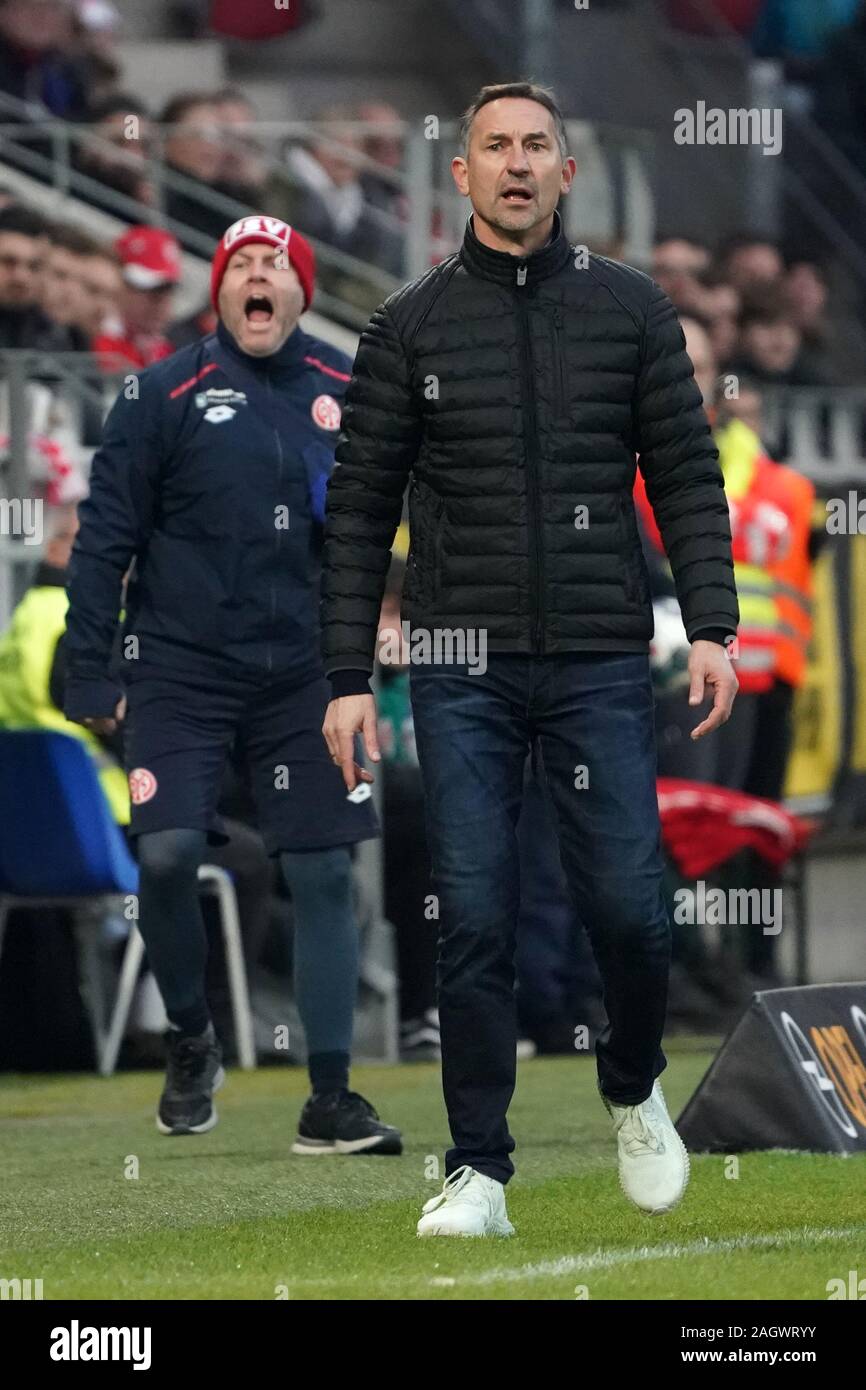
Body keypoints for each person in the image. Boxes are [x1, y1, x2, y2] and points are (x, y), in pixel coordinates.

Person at [320, 81, 739, 1235]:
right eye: (493, 147)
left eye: (536, 145)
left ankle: (631, 1083)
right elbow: (355, 512)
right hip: (459, 665)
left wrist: (710, 624)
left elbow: (688, 478)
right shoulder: (404, 326)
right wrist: (346, 678)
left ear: (565, 169)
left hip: (604, 652)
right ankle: (479, 1170)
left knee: (629, 911)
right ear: (459, 174)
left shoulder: (634, 311)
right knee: (474, 912)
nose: (515, 163)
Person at [63, 212, 401, 1153]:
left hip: (305, 671)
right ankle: (189, 1036)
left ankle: (329, 1099)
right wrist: (90, 661)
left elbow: (382, 523)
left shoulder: (349, 387)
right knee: (167, 857)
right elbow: (104, 538)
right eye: (240, 264)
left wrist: (390, 612)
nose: (258, 278)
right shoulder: (162, 390)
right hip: (179, 664)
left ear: (302, 289)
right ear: (217, 290)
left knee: (326, 869)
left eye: (276, 265)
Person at [92, 226, 182, 370]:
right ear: (119, 284)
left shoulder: (168, 353)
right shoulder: (91, 335)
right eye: (150, 291)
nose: (160, 303)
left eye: (167, 292)